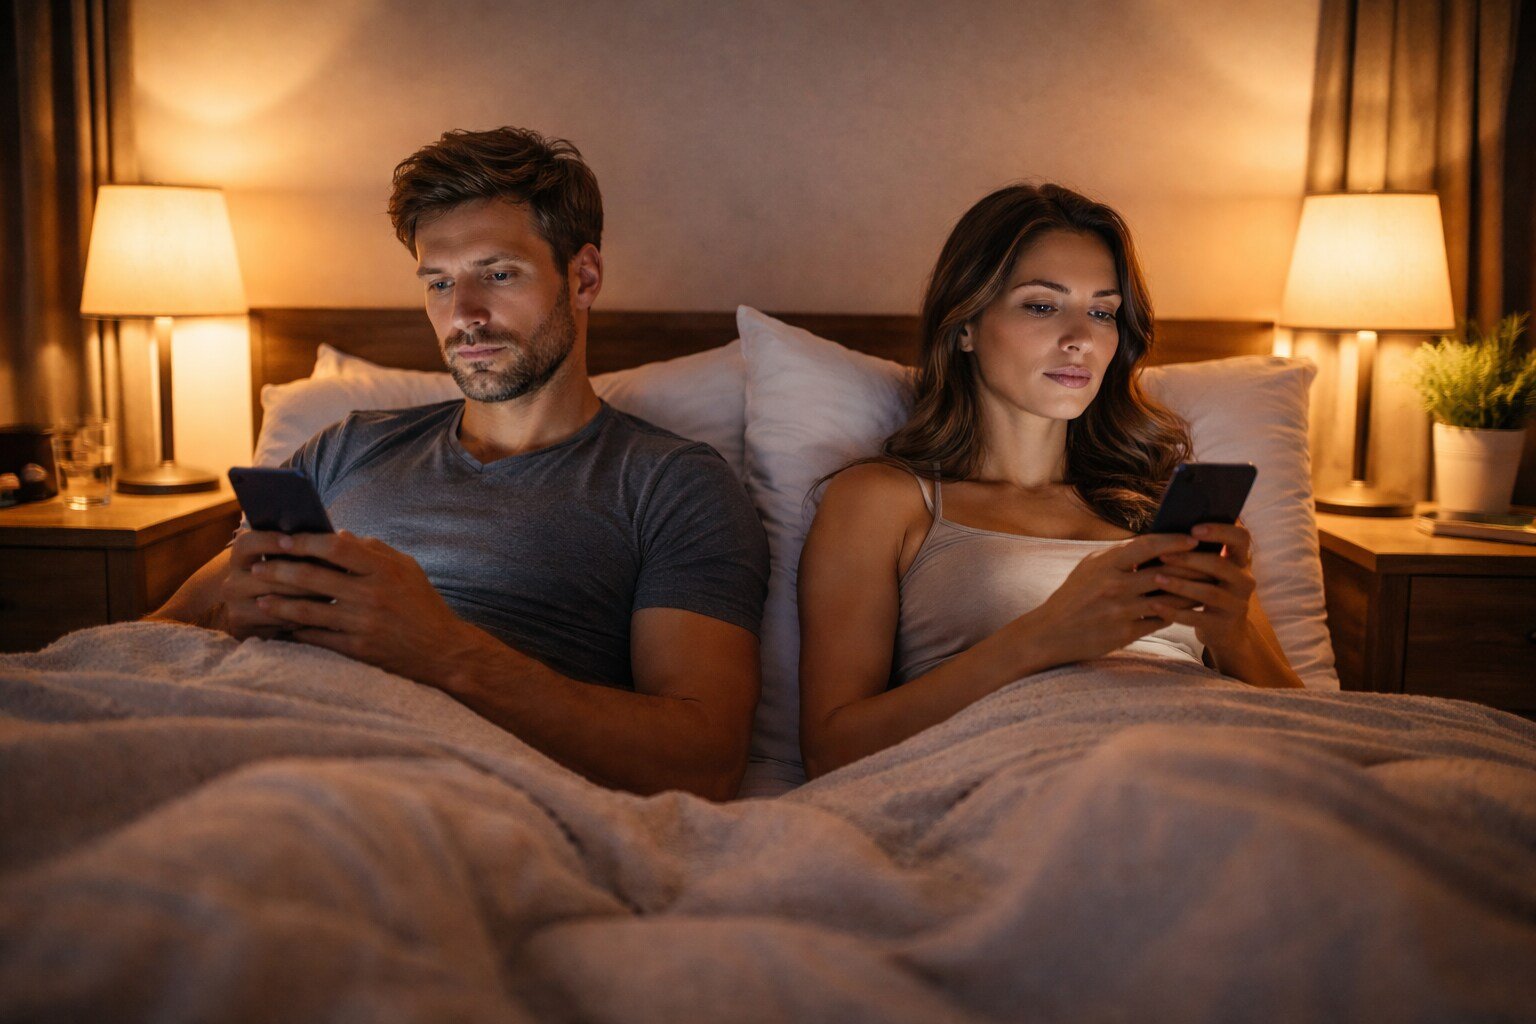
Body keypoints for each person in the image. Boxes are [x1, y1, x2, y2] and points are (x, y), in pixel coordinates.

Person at [155, 127, 770, 801]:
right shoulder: (344, 448)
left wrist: (443, 651)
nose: (463, 315)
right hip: (239, 743)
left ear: (584, 277)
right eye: (440, 283)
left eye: (498, 275)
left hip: (429, 794)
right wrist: (233, 620)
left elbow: (703, 762)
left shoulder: (672, 486)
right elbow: (159, 637)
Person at [797, 183, 1302, 779]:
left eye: (1102, 312)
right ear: (965, 326)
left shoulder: (1161, 506)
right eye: (1042, 305)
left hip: (1217, 762)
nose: (1081, 339)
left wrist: (1235, 633)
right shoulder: (885, 502)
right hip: (1045, 784)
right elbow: (832, 752)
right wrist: (1043, 637)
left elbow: (1311, 724)